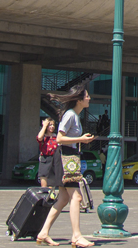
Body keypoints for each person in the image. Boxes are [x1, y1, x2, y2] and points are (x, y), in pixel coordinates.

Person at [35, 85, 95, 248]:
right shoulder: (70, 115)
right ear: (79, 99)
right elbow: (59, 139)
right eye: (87, 96)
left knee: (63, 199)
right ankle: (76, 236)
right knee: (76, 197)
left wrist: (81, 140)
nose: (89, 98)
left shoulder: (73, 115)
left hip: (69, 157)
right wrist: (81, 139)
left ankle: (43, 232)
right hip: (66, 159)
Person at [37, 117, 58, 187]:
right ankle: (45, 197)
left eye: (53, 125)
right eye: (50, 125)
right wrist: (44, 126)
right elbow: (39, 137)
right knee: (44, 182)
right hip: (45, 159)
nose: (52, 127)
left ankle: (51, 197)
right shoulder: (43, 136)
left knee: (51, 184)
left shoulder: (56, 136)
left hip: (54, 159)